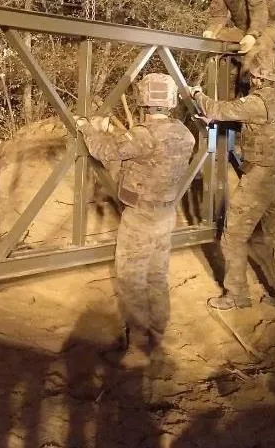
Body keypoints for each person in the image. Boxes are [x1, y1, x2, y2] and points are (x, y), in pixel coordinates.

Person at [76, 73, 195, 368]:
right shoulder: (185, 133)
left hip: (141, 215)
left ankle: (139, 345)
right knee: (157, 275)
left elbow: (104, 150)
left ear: (144, 100)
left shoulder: (143, 135)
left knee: (131, 278)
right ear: (169, 101)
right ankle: (158, 336)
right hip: (167, 213)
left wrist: (90, 129)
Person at [191, 49, 275, 311]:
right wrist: (219, 120)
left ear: (258, 76)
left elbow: (218, 107)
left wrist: (196, 94)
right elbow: (262, 126)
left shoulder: (256, 101)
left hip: (259, 179)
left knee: (233, 237)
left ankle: (236, 295)